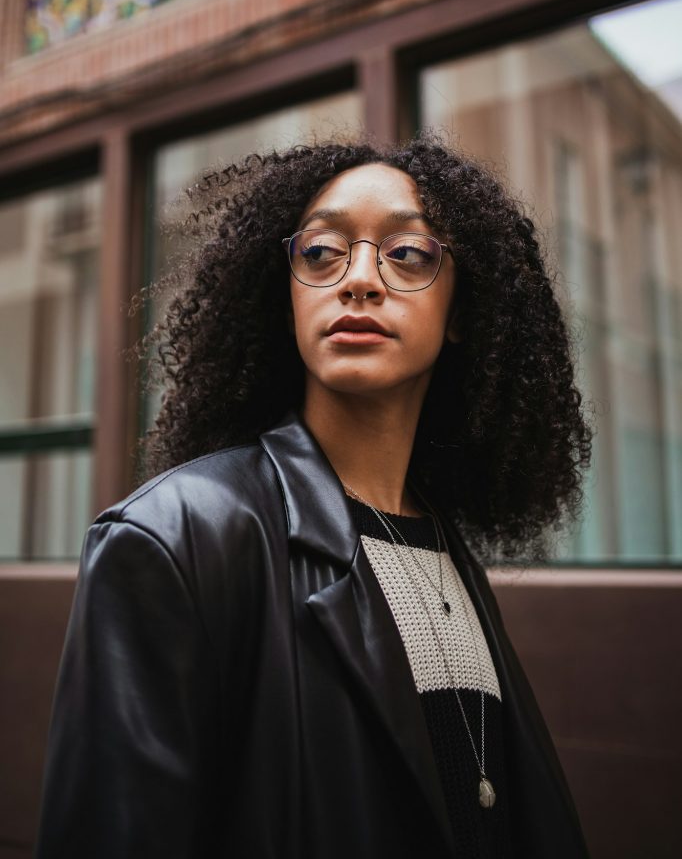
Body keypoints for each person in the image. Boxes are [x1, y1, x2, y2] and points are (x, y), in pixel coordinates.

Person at [35, 133, 594, 858]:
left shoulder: (444, 548)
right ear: (290, 298)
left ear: (462, 312)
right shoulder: (174, 538)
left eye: (409, 254)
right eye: (322, 252)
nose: (359, 278)